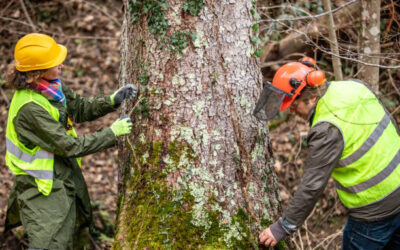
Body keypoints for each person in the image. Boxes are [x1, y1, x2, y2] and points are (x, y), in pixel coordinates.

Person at [4, 33, 137, 249]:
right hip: (40, 187)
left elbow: (78, 108)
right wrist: (112, 134)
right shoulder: (30, 108)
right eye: (55, 63)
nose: (62, 65)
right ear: (36, 72)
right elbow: (68, 146)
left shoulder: (51, 88)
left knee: (69, 237)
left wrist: (112, 101)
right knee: (48, 244)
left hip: (61, 176)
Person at [254, 57, 400, 249]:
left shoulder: (326, 128)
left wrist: (283, 227)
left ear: (311, 98)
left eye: (293, 105)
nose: (291, 111)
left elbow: (312, 186)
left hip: (373, 211)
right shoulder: (354, 87)